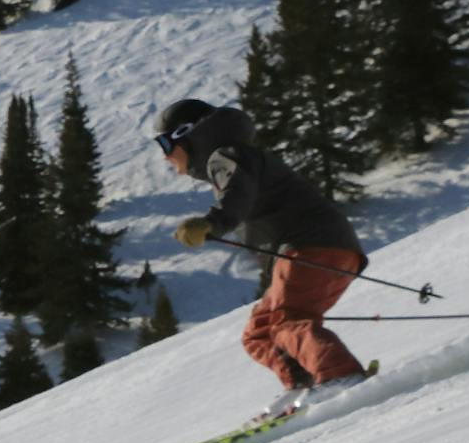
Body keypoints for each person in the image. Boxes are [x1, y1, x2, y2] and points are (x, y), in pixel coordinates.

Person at [154, 96, 370, 409]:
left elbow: (238, 192)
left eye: (164, 144)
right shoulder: (231, 158)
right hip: (321, 247)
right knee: (260, 332)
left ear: (187, 134)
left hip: (310, 245)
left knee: (287, 322)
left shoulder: (227, 156)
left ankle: (341, 377)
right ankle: (301, 383)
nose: (165, 157)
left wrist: (211, 222)